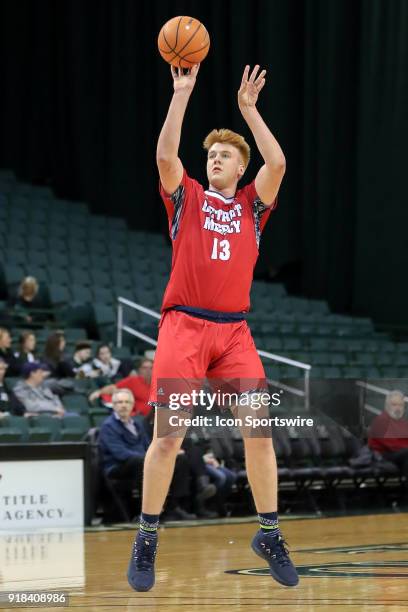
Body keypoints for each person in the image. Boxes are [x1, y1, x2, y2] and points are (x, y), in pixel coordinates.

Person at [127, 64, 298, 592]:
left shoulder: (252, 206)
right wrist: (181, 95)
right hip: (185, 328)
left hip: (234, 335)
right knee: (168, 439)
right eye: (210, 155)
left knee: (261, 434)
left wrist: (249, 112)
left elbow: (279, 161)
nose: (214, 158)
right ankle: (147, 536)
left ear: (240, 167)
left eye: (224, 154)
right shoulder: (188, 199)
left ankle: (269, 532)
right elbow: (164, 157)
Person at [98, 389, 196, 521]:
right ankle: (145, 513)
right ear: (113, 405)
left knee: (180, 459)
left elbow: (148, 446)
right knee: (142, 462)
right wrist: (148, 458)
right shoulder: (108, 426)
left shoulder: (137, 424)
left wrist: (162, 455)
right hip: (118, 467)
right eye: (119, 402)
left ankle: (172, 507)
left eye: (127, 402)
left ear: (132, 405)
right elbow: (120, 453)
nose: (123, 405)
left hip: (138, 461)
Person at [368, 390, 408, 500]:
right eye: (394, 404)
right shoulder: (380, 421)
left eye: (400, 405)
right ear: (387, 406)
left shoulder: (403, 423)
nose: (398, 408)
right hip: (383, 455)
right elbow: (391, 445)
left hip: (399, 454)